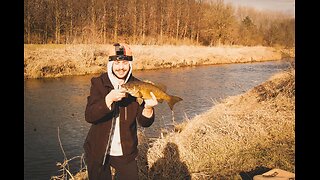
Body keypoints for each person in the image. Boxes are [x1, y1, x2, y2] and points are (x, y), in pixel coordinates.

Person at [83, 43, 158, 180]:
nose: (121, 68)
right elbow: (89, 115)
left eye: (125, 62)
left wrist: (148, 108)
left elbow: (144, 123)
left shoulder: (138, 85)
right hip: (98, 150)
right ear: (110, 64)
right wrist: (108, 100)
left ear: (130, 64)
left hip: (126, 151)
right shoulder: (98, 83)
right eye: (117, 63)